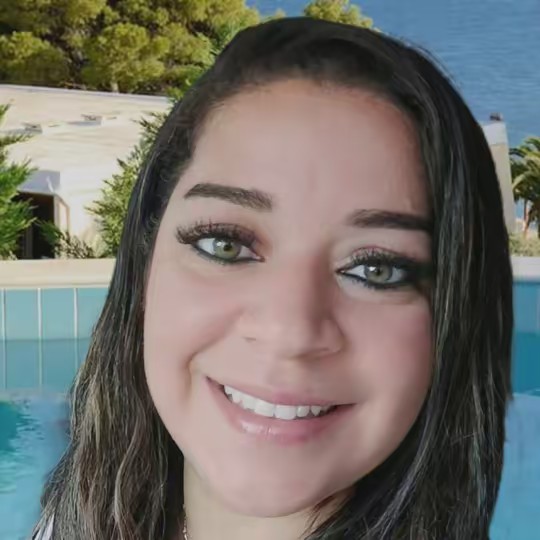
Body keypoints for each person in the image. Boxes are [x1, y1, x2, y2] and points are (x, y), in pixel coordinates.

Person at [33, 16, 513, 540]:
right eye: (226, 244)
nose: (289, 331)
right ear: (145, 260)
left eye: (376, 269)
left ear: (456, 315)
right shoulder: (65, 525)